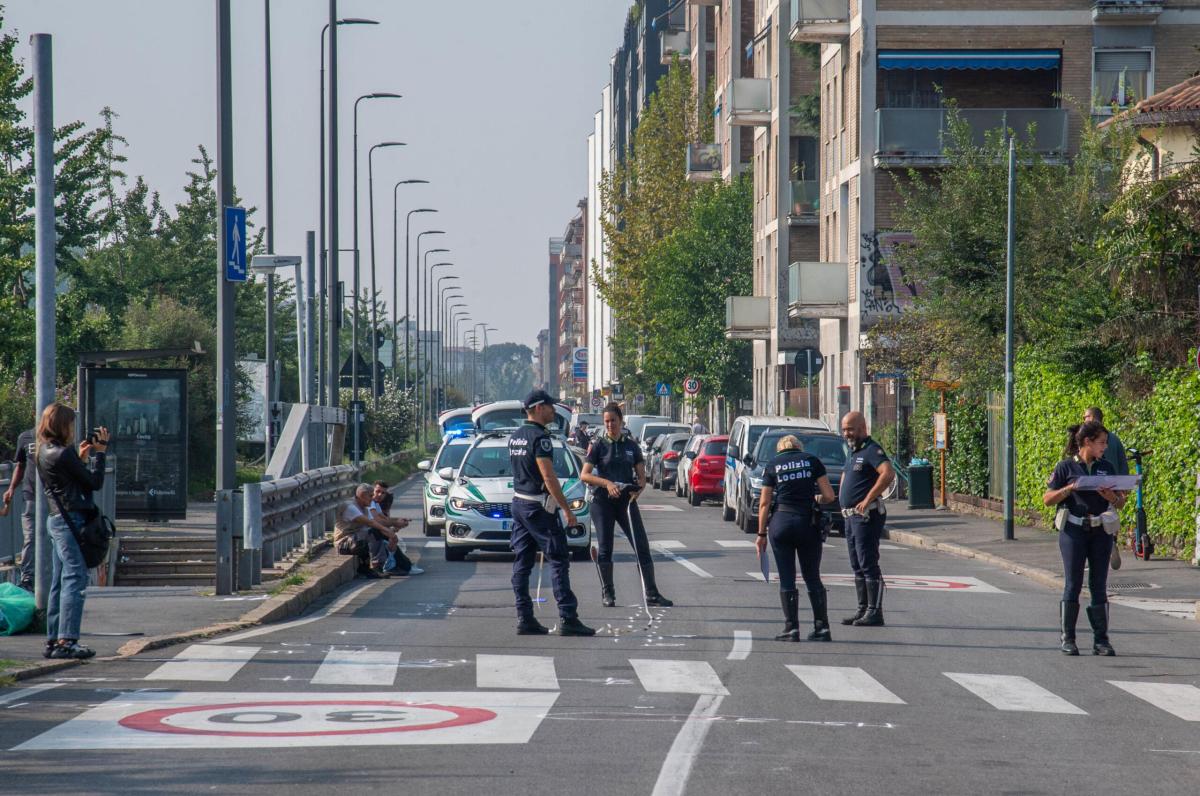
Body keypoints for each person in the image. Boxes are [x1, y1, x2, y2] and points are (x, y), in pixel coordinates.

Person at [508, 389, 594, 636]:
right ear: (537, 408)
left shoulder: (515, 437)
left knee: (522, 562)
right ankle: (568, 617)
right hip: (538, 506)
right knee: (558, 559)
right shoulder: (540, 438)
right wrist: (567, 510)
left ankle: (525, 617)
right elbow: (548, 476)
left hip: (520, 504)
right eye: (549, 406)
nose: (553, 410)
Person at [1043, 421, 1125, 656]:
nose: (1105, 447)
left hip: (1100, 531)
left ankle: (1101, 640)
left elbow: (1120, 501)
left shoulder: (1106, 467)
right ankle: (1068, 638)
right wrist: (1068, 489)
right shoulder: (1065, 466)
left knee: (1099, 585)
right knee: (1073, 583)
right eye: (1101, 442)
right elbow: (1047, 499)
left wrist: (1112, 496)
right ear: (1087, 442)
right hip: (1073, 530)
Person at [33, 404, 108, 660]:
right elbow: (93, 483)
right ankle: (68, 640)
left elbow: (67, 481)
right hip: (70, 520)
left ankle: (54, 639)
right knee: (75, 577)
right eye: (71, 424)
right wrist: (100, 454)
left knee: (58, 580)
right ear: (63, 425)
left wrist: (82, 458)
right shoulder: (64, 454)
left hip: (56, 519)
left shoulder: (43, 451)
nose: (73, 429)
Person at [580, 402, 673, 609]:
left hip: (626, 502)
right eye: (606, 421)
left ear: (621, 421)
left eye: (613, 420)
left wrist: (637, 490)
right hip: (603, 501)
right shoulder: (598, 446)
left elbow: (642, 479)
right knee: (605, 548)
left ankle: (651, 592)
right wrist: (607, 483)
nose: (610, 425)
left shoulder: (631, 446)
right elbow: (584, 475)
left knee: (641, 546)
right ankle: (608, 593)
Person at [755, 435, 837, 642]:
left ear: (779, 449)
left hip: (781, 522)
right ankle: (822, 627)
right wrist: (814, 497)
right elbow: (829, 496)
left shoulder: (773, 465)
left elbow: (764, 503)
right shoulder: (812, 461)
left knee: (787, 577)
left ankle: (791, 628)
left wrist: (761, 534)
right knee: (812, 576)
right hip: (807, 523)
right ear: (799, 447)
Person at [838, 411, 894, 627]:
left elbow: (888, 473)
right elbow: (846, 477)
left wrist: (868, 497)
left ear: (863, 428)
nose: (846, 433)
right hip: (850, 517)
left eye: (850, 429)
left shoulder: (871, 450)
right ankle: (862, 609)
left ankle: (874, 611)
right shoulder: (853, 451)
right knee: (856, 564)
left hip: (866, 515)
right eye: (843, 429)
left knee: (868, 562)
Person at [1082, 407, 1128, 570]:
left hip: (1095, 487)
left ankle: (1095, 553)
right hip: (1113, 487)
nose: (1084, 419)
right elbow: (1123, 462)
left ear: (1093, 417)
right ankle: (1112, 542)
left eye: (1085, 416)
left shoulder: (1091, 441)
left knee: (1093, 521)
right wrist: (1123, 487)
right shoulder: (1114, 438)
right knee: (1110, 516)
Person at [0, 427, 36, 592]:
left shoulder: (58, 436)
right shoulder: (25, 437)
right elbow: (20, 465)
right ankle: (27, 578)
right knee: (30, 538)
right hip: (31, 496)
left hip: (54, 499)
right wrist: (12, 489)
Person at [368, 481, 422, 575]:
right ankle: (403, 566)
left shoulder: (375, 504)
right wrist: (395, 523)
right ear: (372, 490)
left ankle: (401, 565)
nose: (380, 495)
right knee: (389, 537)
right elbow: (377, 521)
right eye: (377, 491)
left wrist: (398, 522)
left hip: (372, 531)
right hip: (366, 533)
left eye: (383, 493)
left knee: (392, 538)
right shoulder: (370, 502)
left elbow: (384, 518)